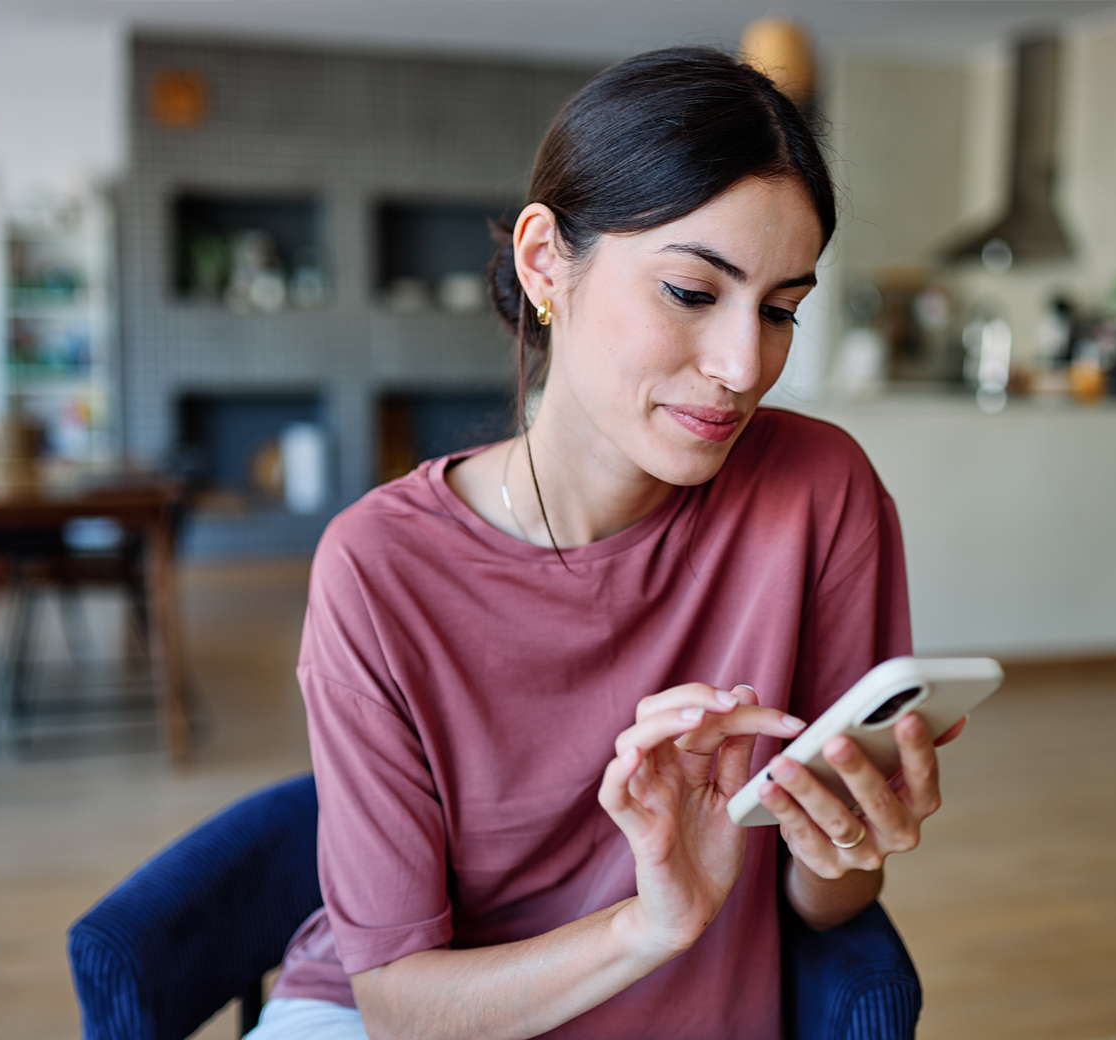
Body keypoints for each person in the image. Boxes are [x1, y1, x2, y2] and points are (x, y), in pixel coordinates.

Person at [248, 46, 959, 1040]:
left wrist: (849, 844)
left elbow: (820, 901)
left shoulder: (817, 492)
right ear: (545, 261)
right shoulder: (378, 565)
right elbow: (400, 1002)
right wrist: (651, 923)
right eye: (690, 292)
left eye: (781, 309)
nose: (741, 364)